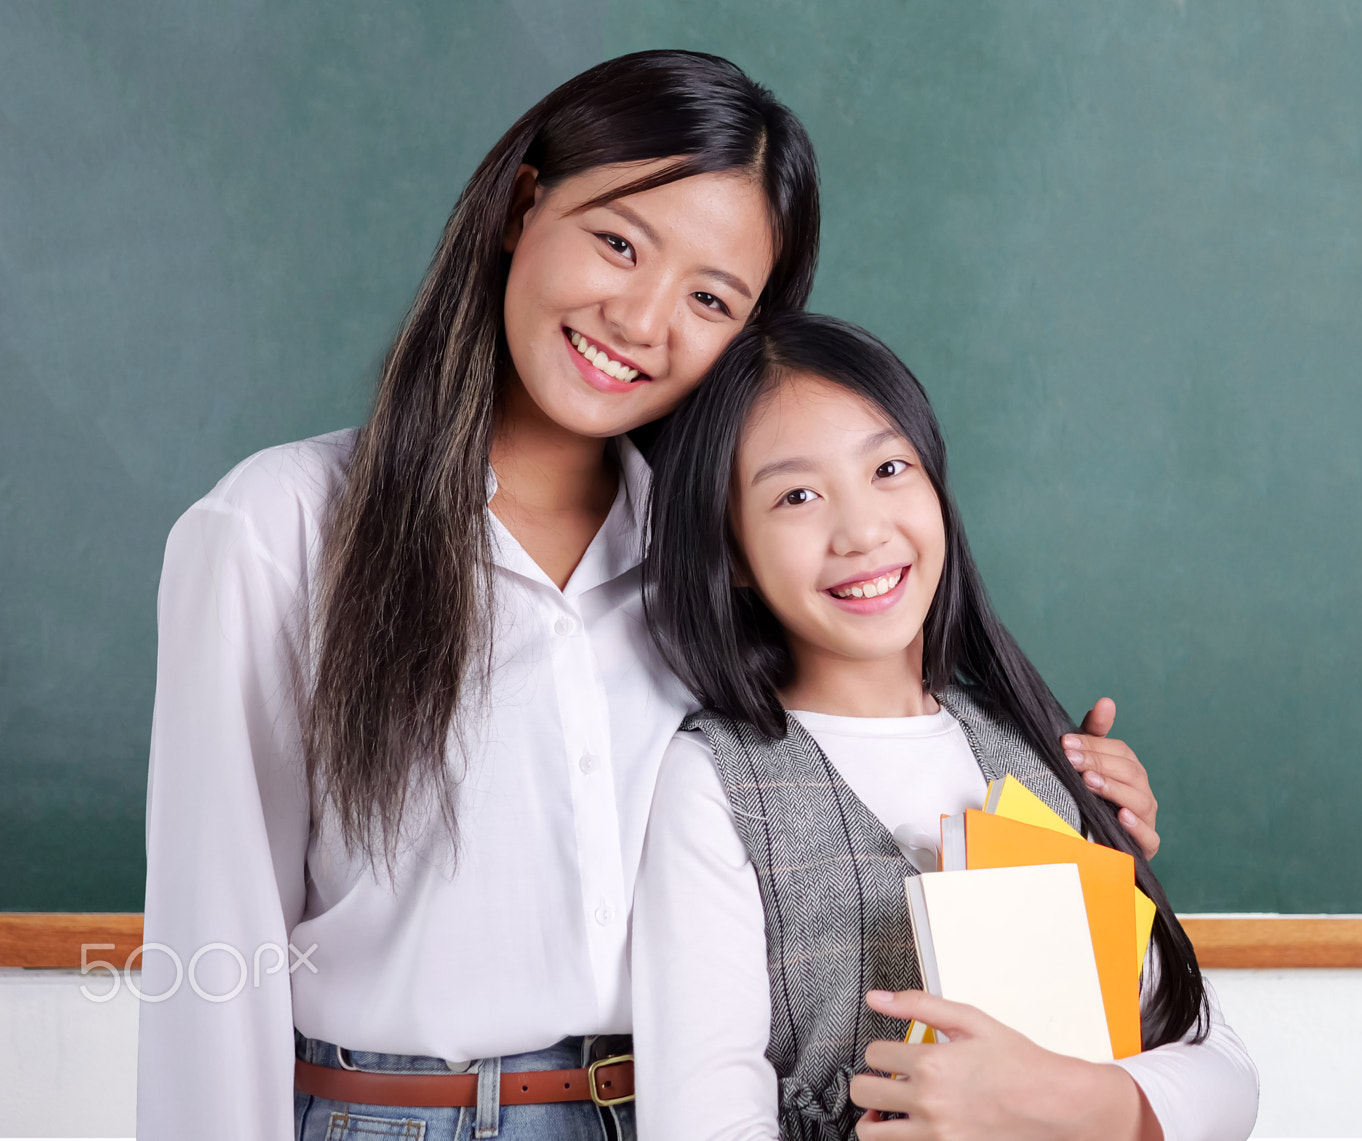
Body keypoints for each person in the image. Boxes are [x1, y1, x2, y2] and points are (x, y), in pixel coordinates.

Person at [139, 51, 1164, 1140]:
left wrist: (1072, 804)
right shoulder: (281, 527)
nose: (640, 318)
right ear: (523, 205)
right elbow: (215, 943)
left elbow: (863, 774)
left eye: (710, 297)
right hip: (405, 1115)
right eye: (618, 242)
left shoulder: (739, 554)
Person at [631, 311, 1259, 1141]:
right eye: (796, 495)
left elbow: (1218, 1073)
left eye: (890, 467)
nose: (861, 530)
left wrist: (1051, 1099)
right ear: (734, 554)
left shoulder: (1039, 751)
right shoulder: (714, 781)